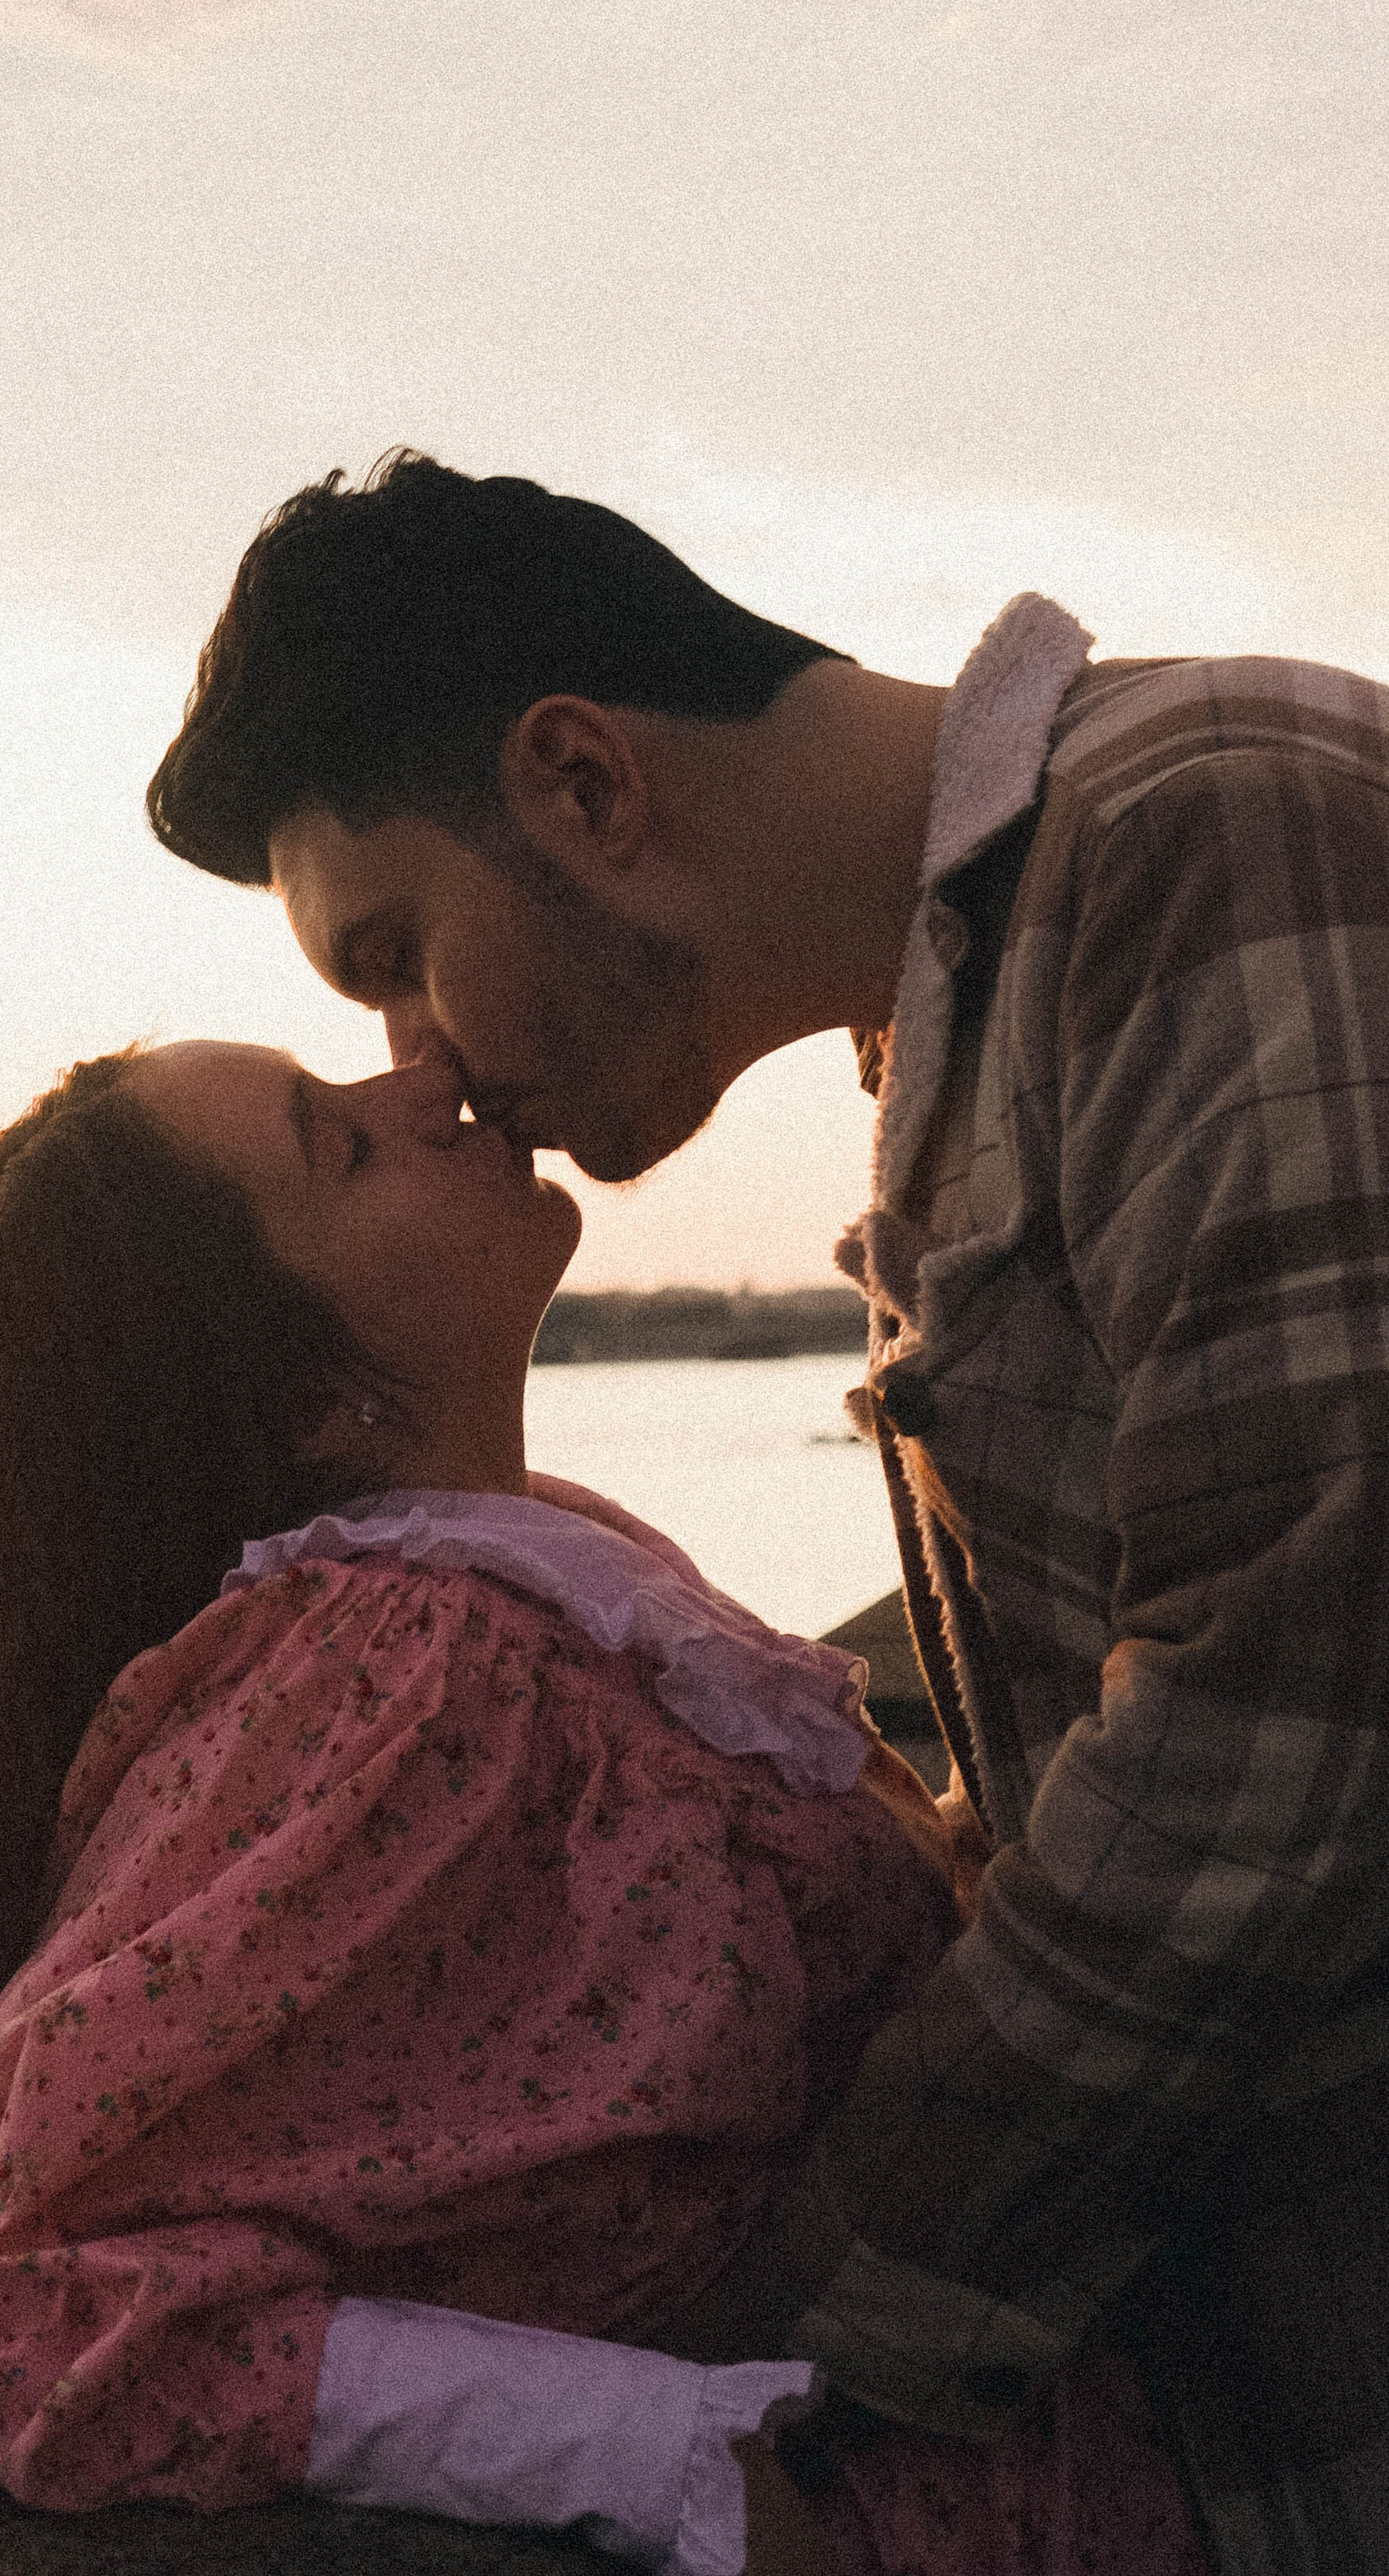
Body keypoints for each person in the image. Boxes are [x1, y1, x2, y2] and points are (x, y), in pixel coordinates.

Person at [145, 452, 1389, 2575]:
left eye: (397, 956)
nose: (419, 1064)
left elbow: (1292, 1709)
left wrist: (790, 2303)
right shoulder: (968, 1014)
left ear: (584, 787)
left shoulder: (1213, 832)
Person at [0, 1041, 1203, 2575]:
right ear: (297, 1395)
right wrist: (641, 2451)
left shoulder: (529, 1588)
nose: (424, 1080)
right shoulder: (407, 1675)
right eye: (338, 1140)